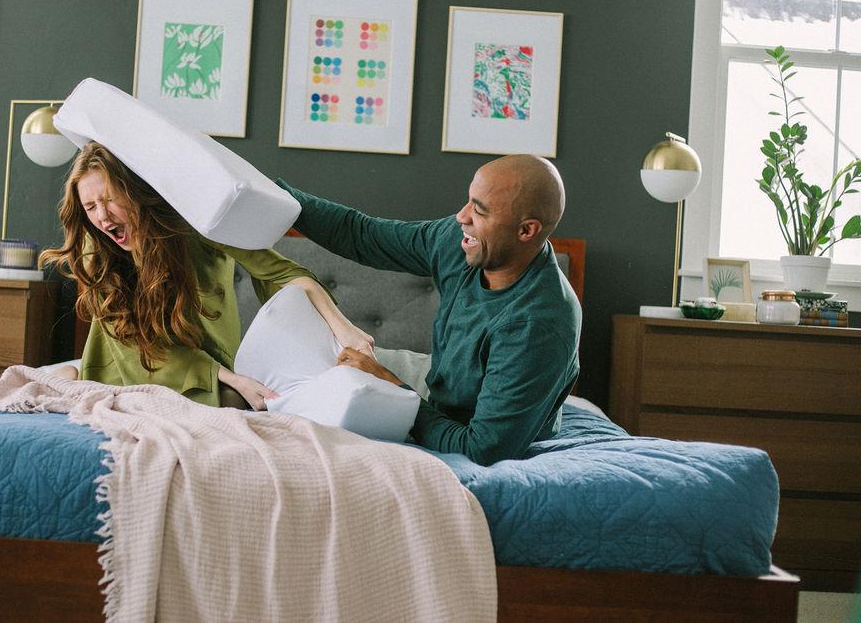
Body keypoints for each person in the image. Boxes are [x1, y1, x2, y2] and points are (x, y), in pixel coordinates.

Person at [276, 154, 581, 464]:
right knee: (301, 364)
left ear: (526, 231)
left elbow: (480, 449)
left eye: (479, 210)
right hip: (437, 382)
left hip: (469, 427)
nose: (461, 217)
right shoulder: (461, 241)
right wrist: (275, 196)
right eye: (468, 201)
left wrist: (393, 389)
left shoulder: (537, 323)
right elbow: (362, 234)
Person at [40, 141, 374, 410]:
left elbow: (282, 273)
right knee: (227, 401)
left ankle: (71, 377)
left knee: (240, 402)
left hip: (209, 358)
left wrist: (343, 326)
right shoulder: (95, 245)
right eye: (90, 207)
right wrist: (230, 378)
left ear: (134, 191)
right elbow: (126, 338)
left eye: (110, 200)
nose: (102, 216)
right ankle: (77, 377)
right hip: (134, 361)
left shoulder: (201, 221)